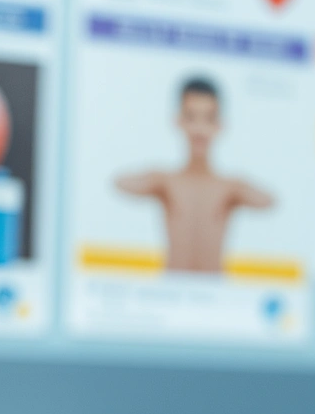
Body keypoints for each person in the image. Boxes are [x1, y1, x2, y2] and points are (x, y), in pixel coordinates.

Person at [115, 75, 274, 274]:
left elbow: (269, 201)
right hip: (170, 295)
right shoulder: (166, 181)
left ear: (219, 125)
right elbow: (120, 183)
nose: (199, 129)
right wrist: (156, 177)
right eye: (191, 117)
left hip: (216, 297)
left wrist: (238, 186)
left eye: (208, 118)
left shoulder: (229, 186)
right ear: (179, 121)